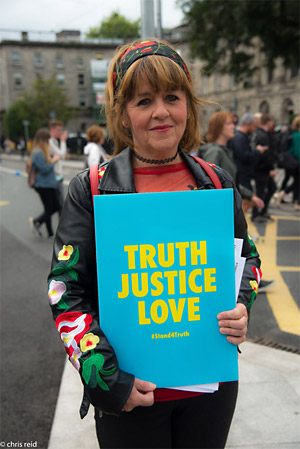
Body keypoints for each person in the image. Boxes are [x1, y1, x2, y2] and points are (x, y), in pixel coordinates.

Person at [47, 39, 261, 449]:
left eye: (172, 97)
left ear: (188, 106)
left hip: (208, 390)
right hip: (129, 396)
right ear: (124, 115)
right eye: (143, 100)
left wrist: (241, 306)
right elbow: (64, 291)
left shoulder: (215, 181)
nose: (161, 111)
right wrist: (105, 378)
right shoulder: (92, 189)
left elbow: (247, 257)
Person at [199, 111, 264, 214]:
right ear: (219, 127)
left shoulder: (224, 151)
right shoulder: (215, 152)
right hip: (220, 210)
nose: (233, 127)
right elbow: (210, 186)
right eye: (229, 123)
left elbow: (229, 182)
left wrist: (250, 195)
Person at [28, 128, 60, 239]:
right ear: (43, 140)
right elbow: (45, 169)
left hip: (49, 184)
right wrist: (54, 161)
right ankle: (50, 233)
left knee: (55, 206)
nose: (48, 142)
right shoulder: (39, 152)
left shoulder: (42, 152)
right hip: (43, 185)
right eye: (47, 139)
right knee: (49, 208)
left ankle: (37, 222)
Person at [228, 113, 268, 194]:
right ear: (247, 124)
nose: (254, 129)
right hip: (242, 176)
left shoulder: (243, 137)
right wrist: (257, 151)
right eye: (253, 126)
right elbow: (244, 156)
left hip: (244, 175)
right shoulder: (239, 138)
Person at [251, 113, 277, 222]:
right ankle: (256, 214)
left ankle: (263, 211)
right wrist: (271, 168)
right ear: (268, 122)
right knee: (261, 192)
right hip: (263, 169)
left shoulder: (260, 134)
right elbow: (266, 154)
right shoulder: (263, 135)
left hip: (261, 168)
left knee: (271, 188)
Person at [276, 116, 300, 211]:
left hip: (291, 162)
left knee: (296, 181)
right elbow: (298, 152)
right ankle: (283, 195)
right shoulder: (297, 136)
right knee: (297, 182)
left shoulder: (294, 134)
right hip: (295, 163)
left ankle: (295, 201)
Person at [49, 120, 68, 214]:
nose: (60, 132)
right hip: (54, 177)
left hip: (58, 176)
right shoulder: (50, 142)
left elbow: (61, 156)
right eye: (58, 130)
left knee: (58, 205)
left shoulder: (55, 141)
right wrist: (63, 141)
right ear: (52, 129)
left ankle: (38, 222)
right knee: (59, 205)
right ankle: (38, 222)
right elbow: (62, 154)